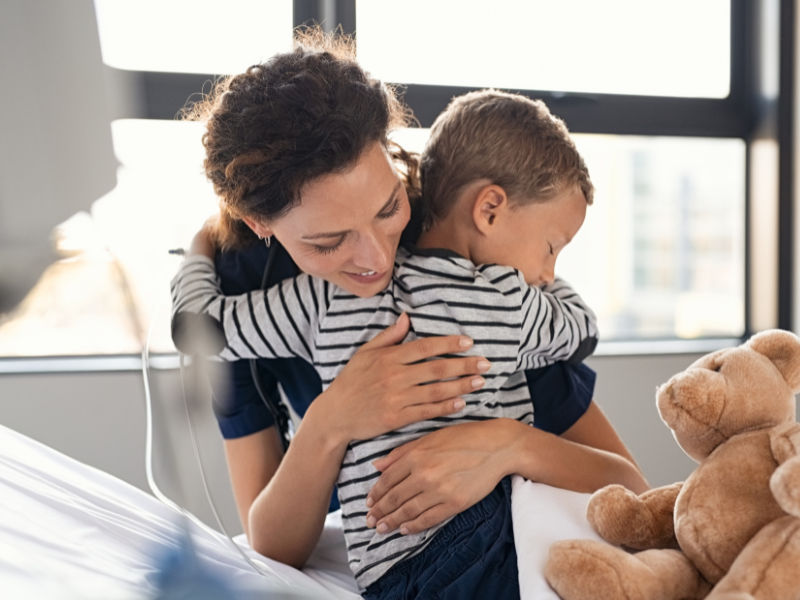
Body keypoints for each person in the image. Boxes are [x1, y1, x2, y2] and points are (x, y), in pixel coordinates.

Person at [172, 27, 648, 599]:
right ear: (261, 226)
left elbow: (630, 488)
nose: (375, 261)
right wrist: (334, 418)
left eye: (388, 208)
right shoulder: (248, 285)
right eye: (329, 242)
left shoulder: (475, 254)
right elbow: (271, 541)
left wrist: (505, 444)